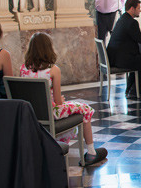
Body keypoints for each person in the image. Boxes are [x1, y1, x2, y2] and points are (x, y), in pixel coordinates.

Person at [20, 33, 108, 166]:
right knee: (86, 109)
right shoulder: (53, 70)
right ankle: (91, 152)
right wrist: (60, 99)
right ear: (49, 49)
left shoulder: (23, 69)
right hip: (51, 113)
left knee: (77, 107)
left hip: (31, 113)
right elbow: (58, 102)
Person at [107, 0, 141, 99]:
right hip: (121, 59)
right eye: (138, 8)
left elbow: (137, 37)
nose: (140, 10)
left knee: (140, 59)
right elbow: (140, 39)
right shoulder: (131, 22)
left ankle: (130, 89)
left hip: (115, 58)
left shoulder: (122, 19)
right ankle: (135, 92)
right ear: (132, 8)